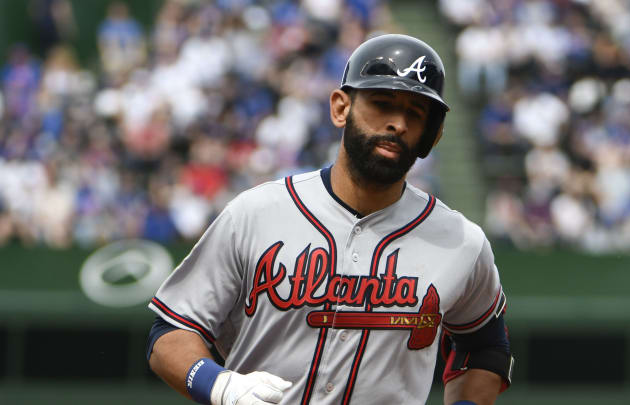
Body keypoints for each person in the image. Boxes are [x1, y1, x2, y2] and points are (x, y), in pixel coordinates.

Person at [146, 33, 514, 405]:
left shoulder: (460, 241)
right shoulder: (256, 213)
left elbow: (485, 348)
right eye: (382, 103)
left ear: (432, 136)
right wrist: (221, 386)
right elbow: (171, 332)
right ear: (341, 107)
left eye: (415, 114)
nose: (397, 123)